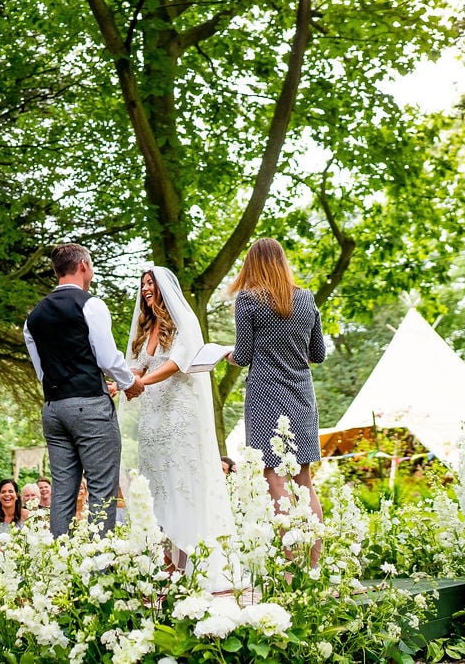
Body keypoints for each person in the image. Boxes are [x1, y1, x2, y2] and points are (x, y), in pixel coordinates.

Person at [24, 243, 144, 537]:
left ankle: (60, 566)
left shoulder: (33, 317)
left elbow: (41, 370)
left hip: (54, 409)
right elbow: (106, 357)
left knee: (62, 490)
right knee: (102, 488)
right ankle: (98, 573)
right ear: (83, 267)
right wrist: (130, 383)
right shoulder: (90, 304)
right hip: (89, 405)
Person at [125, 265, 235, 569]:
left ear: (163, 287)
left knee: (180, 485)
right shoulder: (144, 328)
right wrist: (122, 382)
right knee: (156, 487)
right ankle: (163, 563)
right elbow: (136, 366)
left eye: (151, 283)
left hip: (179, 415)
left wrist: (139, 383)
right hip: (151, 419)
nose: (146, 289)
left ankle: (188, 563)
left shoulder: (184, 321)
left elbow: (176, 363)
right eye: (143, 284)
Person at [227, 238, 326, 565]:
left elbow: (241, 356)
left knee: (274, 482)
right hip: (301, 395)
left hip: (265, 397)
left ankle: (290, 566)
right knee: (304, 482)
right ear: (282, 262)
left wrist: (225, 355)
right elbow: (319, 354)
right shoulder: (306, 298)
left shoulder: (248, 301)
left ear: (251, 265)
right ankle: (313, 565)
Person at [0, 479, 28, 557]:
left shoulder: (26, 514)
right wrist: (10, 555)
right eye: (3, 492)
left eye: (10, 491)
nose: (7, 494)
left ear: (17, 496)